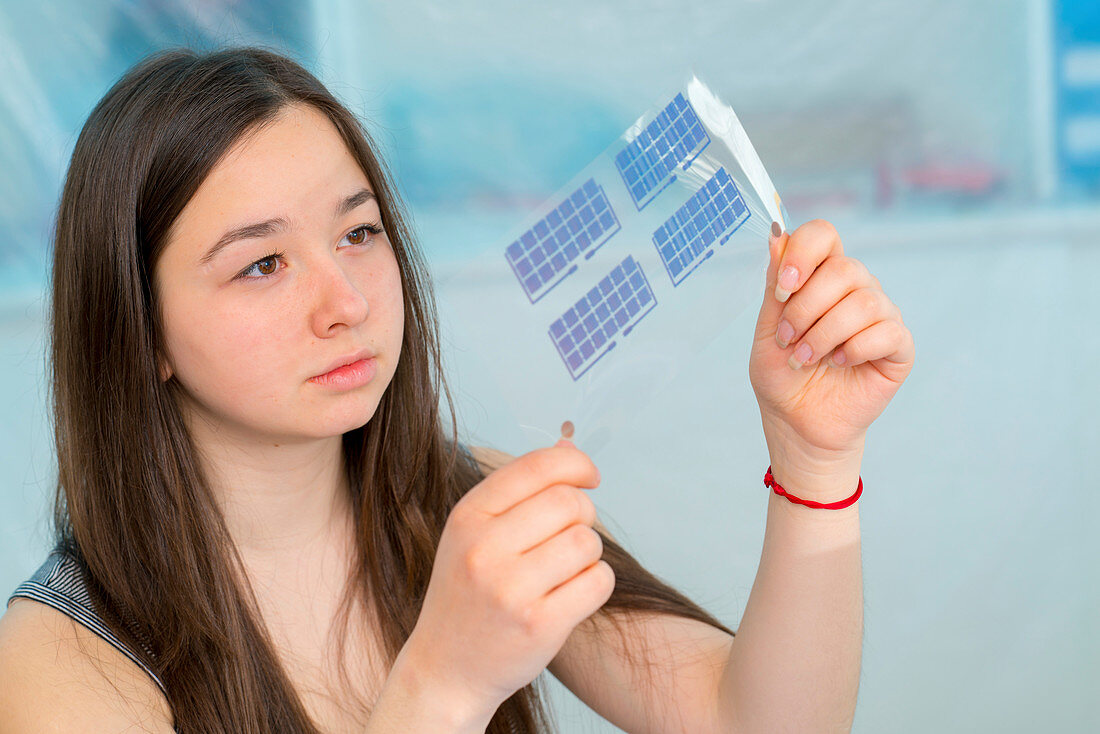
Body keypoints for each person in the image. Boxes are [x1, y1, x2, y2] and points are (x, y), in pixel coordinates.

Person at [0, 46, 914, 733]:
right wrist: (443, 681)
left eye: (358, 235)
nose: (346, 301)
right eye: (264, 264)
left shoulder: (465, 506)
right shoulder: (59, 658)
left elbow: (751, 723)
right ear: (141, 327)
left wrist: (817, 460)